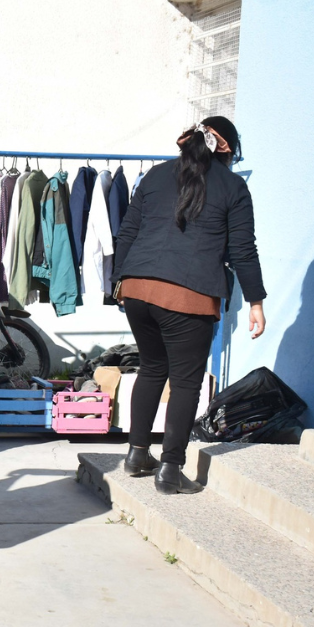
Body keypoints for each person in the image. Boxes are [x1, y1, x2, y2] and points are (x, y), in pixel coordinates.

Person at [113, 116, 266, 494]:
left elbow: (128, 231)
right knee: (185, 382)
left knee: (152, 369)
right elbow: (243, 250)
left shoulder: (155, 175)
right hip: (188, 294)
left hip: (137, 288)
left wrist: (120, 282)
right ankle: (170, 469)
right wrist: (256, 301)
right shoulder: (233, 186)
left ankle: (137, 454)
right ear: (228, 150)